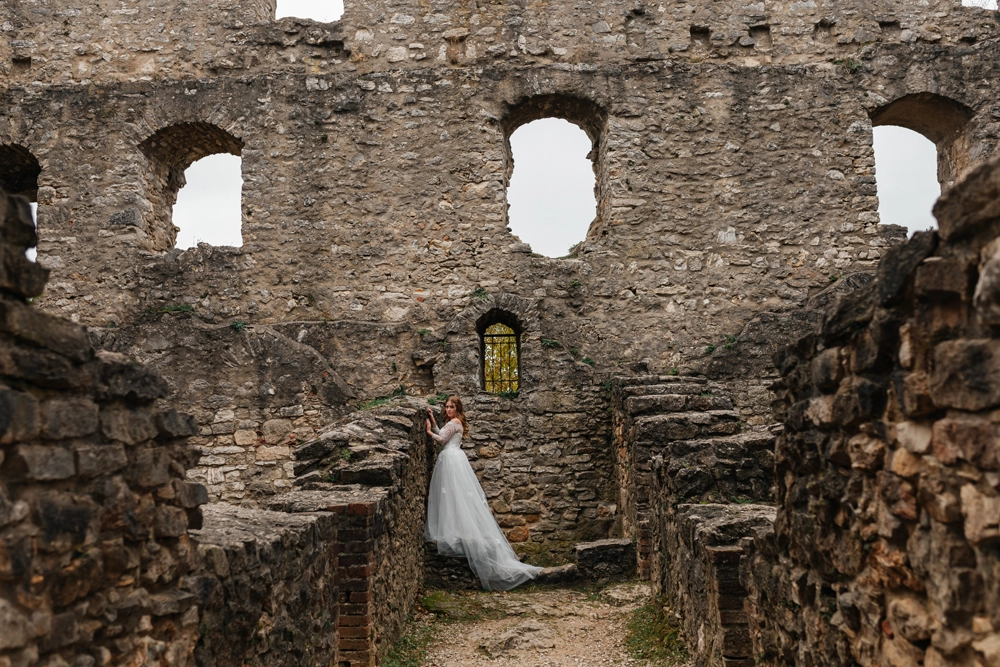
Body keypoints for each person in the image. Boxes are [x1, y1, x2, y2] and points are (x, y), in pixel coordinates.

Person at [424, 395, 542, 590]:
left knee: (455, 496)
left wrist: (429, 431)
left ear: (457, 408)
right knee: (451, 497)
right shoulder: (453, 422)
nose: (448, 410)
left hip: (451, 460)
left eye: (451, 407)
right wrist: (435, 423)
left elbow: (441, 439)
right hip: (451, 458)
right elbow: (443, 434)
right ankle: (453, 529)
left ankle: (456, 531)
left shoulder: (454, 422)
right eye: (446, 407)